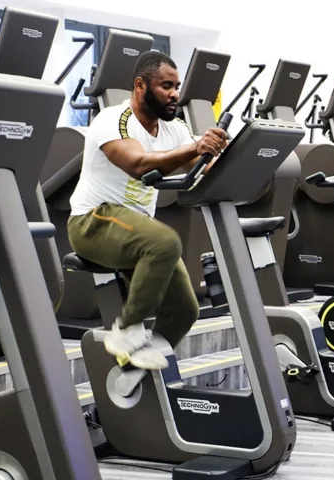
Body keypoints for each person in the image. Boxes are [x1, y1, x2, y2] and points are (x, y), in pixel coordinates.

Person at [67, 51, 228, 370]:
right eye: (167, 86)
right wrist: (196, 148)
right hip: (93, 222)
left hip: (136, 230)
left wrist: (229, 153)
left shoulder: (174, 128)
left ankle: (132, 370)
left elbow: (203, 165)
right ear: (140, 85)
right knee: (165, 242)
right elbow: (137, 165)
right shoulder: (113, 119)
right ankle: (126, 331)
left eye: (177, 86)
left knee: (185, 309)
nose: (175, 94)